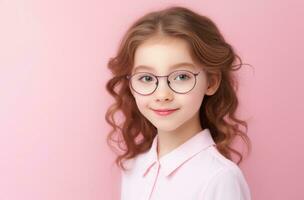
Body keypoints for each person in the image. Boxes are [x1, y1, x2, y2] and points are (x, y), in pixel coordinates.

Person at [105, 5, 252, 200]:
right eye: (147, 78)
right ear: (131, 84)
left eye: (181, 76)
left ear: (211, 82)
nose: (162, 95)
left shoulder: (220, 178)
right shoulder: (133, 167)